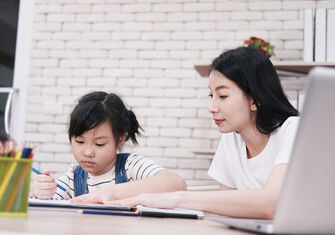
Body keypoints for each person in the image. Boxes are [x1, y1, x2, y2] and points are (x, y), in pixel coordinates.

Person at [108, 47, 300, 219]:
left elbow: (271, 204)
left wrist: (177, 198)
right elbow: (226, 207)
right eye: (211, 95)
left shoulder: (293, 129)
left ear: (255, 99)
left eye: (222, 96)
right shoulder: (231, 138)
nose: (211, 107)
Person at [31, 91, 186, 201]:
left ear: (120, 140)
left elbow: (176, 184)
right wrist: (40, 194)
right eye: (79, 141)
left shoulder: (131, 167)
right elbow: (48, 207)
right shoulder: (73, 178)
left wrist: (111, 192)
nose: (88, 152)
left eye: (99, 144)